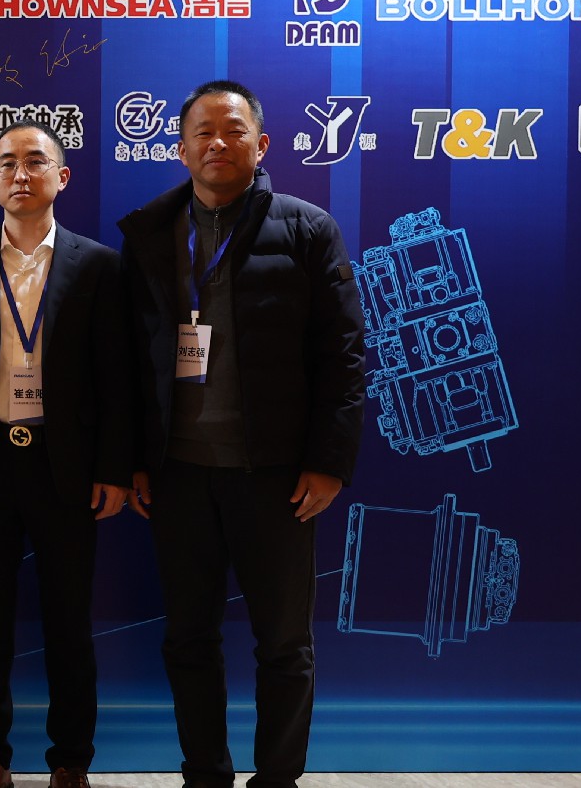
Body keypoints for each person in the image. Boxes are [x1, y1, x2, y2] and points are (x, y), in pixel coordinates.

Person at [116, 80, 366, 788]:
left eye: (234, 131)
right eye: (202, 131)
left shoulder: (308, 228)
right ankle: (205, 774)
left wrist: (329, 461)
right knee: (188, 640)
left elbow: (344, 355)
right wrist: (134, 460)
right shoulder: (148, 233)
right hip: (179, 474)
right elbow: (128, 360)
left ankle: (278, 778)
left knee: (283, 644)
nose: (217, 143)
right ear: (180, 148)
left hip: (277, 477)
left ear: (262, 144)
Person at [0, 120, 132, 788]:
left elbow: (117, 379)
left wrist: (112, 469)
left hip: (64, 464)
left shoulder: (99, 265)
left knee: (69, 623)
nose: (21, 174)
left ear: (61, 177)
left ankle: (71, 761)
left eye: (36, 161)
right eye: (7, 163)